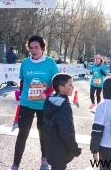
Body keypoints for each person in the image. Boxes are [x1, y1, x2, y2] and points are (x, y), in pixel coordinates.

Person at [11, 36, 59, 170]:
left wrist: (47, 93)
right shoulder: (25, 63)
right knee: (23, 132)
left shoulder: (50, 63)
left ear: (42, 48)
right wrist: (20, 94)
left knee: (43, 133)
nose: (33, 50)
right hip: (27, 103)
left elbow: (56, 82)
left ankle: (44, 161)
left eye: (36, 47)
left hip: (44, 105)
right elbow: (22, 81)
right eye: (31, 48)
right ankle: (15, 164)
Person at [43, 73, 82, 170]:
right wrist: (75, 149)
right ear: (61, 88)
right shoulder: (64, 106)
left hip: (51, 147)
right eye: (70, 85)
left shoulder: (49, 101)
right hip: (60, 149)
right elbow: (66, 131)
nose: (73, 87)